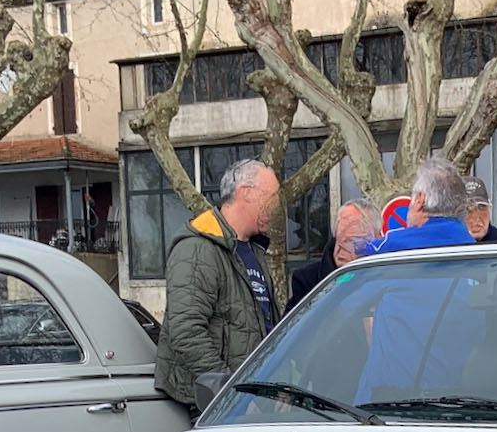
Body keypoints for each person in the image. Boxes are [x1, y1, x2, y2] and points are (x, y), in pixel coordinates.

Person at [154, 158, 283, 413]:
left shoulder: (254, 251)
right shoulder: (197, 248)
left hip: (251, 398)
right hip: (213, 406)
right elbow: (186, 331)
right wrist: (230, 395)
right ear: (246, 194)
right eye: (272, 198)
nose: (276, 207)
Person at [350, 158, 482, 401]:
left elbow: (344, 302)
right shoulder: (477, 257)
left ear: (420, 199)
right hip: (459, 401)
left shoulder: (395, 256)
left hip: (389, 405)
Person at [288, 198, 381, 305]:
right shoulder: (307, 280)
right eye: (339, 238)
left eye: (351, 241)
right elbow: (298, 321)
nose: (342, 249)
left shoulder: (390, 274)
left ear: (376, 238)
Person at [462, 176, 497, 243]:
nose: (476, 219)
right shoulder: (449, 245)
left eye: (481, 207)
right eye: (468, 210)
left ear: (489, 209)